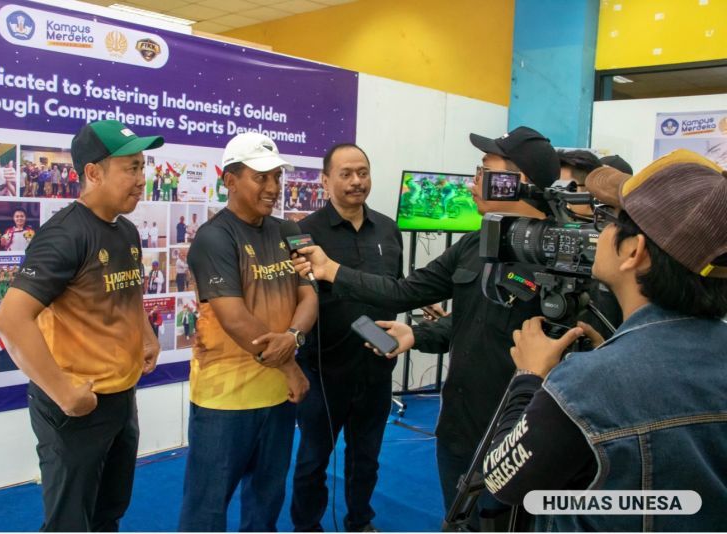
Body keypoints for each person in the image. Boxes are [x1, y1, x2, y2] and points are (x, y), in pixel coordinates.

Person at [292, 127, 570, 516]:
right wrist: (415, 333)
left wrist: (334, 270)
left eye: (483, 172)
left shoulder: (565, 262)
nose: (472, 183)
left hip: (518, 431)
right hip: (457, 427)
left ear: (516, 183)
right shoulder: (475, 244)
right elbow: (406, 292)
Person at [482, 149, 727, 530]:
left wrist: (529, 379)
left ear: (634, 251)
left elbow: (504, 482)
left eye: (609, 219)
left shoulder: (586, 384)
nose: (598, 231)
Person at [0, 119, 164, 531]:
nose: (142, 179)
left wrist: (145, 334)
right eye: (131, 168)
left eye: (143, 167)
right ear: (93, 172)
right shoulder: (64, 235)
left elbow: (125, 291)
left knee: (109, 512)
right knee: (70, 522)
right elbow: (11, 320)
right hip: (75, 407)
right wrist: (64, 391)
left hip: (120, 399)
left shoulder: (125, 231)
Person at [179, 132, 318, 532]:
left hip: (278, 399)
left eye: (276, 176)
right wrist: (292, 367)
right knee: (206, 509)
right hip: (226, 400)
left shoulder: (291, 231)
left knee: (266, 500)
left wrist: (292, 337)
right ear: (229, 180)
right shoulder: (213, 238)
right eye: (261, 177)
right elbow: (235, 319)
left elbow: (309, 297)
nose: (273, 187)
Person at [290, 143, 404, 532]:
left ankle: (360, 521)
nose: (357, 181)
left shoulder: (388, 229)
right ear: (325, 180)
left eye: (363, 172)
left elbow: (395, 288)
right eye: (346, 174)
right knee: (311, 461)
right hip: (324, 370)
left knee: (366, 458)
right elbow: (299, 299)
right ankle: (307, 526)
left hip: (376, 367)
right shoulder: (304, 232)